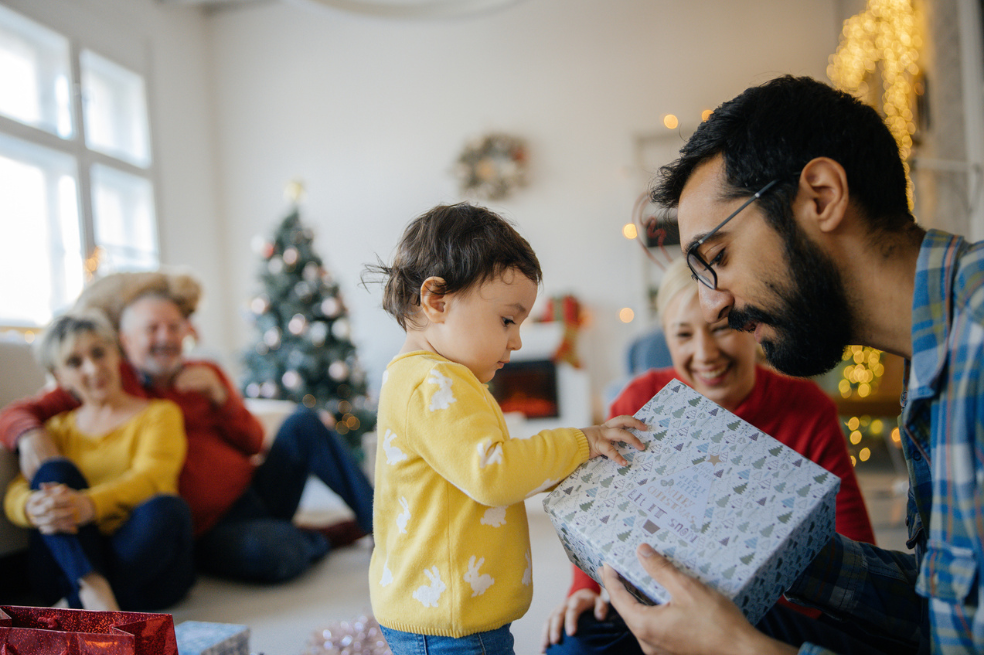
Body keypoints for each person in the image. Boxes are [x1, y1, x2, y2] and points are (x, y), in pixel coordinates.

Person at [598, 74, 984, 655]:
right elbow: (947, 613)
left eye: (718, 257)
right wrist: (767, 545)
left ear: (822, 197)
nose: (713, 307)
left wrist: (740, 649)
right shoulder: (932, 361)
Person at [541, 257, 876, 655]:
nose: (704, 354)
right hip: (656, 595)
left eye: (721, 329)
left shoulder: (808, 409)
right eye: (683, 335)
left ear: (751, 327)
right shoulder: (640, 400)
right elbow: (604, 517)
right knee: (572, 643)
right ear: (667, 339)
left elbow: (856, 552)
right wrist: (584, 588)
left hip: (767, 612)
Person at [363, 203, 647, 655]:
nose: (516, 340)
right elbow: (493, 473)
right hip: (451, 623)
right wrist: (582, 441)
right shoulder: (434, 382)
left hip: (445, 612)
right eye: (507, 320)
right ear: (437, 300)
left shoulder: (425, 376)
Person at [0, 272, 374, 584]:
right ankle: (317, 536)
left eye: (173, 327)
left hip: (254, 493)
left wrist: (222, 401)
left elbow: (253, 442)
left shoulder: (205, 372)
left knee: (303, 423)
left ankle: (383, 526)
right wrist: (28, 434)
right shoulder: (108, 379)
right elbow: (19, 411)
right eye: (152, 329)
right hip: (205, 528)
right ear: (125, 342)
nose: (165, 337)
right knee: (275, 554)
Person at [3, 311, 194, 611]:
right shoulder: (57, 428)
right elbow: (17, 490)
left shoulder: (159, 414)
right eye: (75, 362)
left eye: (98, 353)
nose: (93, 368)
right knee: (53, 471)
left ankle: (78, 603)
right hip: (70, 568)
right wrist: (30, 507)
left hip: (142, 567)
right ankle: (94, 591)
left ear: (116, 353)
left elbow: (152, 478)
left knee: (168, 508)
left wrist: (87, 506)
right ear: (58, 377)